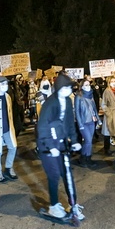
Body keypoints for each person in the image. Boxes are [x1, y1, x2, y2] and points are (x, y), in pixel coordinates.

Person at [36, 73, 84, 220]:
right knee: (54, 175)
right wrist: (51, 146)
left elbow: (70, 123)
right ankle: (54, 206)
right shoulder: (50, 103)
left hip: (62, 143)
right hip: (47, 145)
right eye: (66, 87)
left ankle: (73, 205)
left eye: (70, 88)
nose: (69, 90)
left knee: (67, 174)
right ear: (59, 88)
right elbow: (43, 126)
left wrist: (75, 140)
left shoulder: (68, 102)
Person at [74, 78, 100, 168]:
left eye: (88, 84)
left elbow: (94, 108)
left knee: (88, 142)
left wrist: (97, 118)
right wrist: (80, 124)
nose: (87, 86)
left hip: (91, 122)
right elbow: (77, 111)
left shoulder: (91, 95)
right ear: (81, 86)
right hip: (84, 122)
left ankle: (84, 158)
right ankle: (86, 158)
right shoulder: (79, 96)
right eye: (85, 85)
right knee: (88, 141)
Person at [101, 76, 115, 155]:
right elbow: (103, 103)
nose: (114, 82)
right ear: (109, 83)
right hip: (110, 112)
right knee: (108, 131)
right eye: (112, 81)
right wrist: (108, 112)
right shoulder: (107, 91)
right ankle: (106, 149)